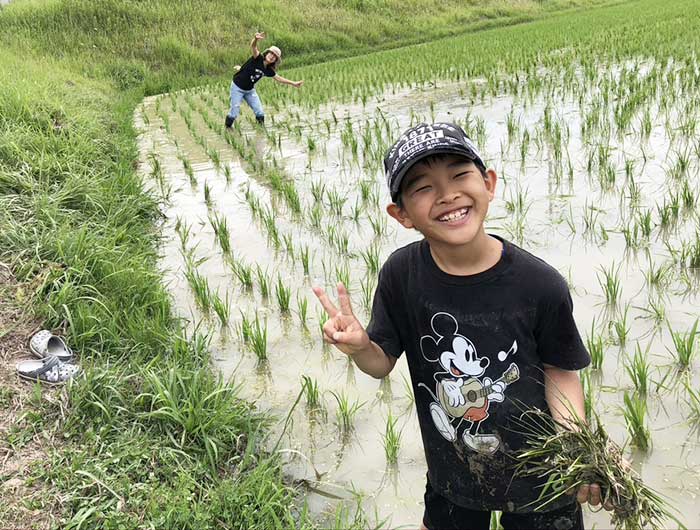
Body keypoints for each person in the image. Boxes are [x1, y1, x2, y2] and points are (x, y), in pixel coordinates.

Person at [313, 122, 611, 529]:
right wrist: (361, 345)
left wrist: (578, 449)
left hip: (540, 479)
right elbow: (381, 365)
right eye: (423, 187)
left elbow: (561, 371)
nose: (447, 194)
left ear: (488, 183)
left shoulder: (540, 284)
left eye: (459, 174)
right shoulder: (402, 276)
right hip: (454, 473)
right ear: (401, 214)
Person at [225, 31, 303, 128]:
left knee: (260, 112)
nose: (272, 57)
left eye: (275, 57)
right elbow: (253, 47)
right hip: (237, 87)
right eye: (271, 54)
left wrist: (293, 83)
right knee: (234, 113)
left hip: (249, 91)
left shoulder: (268, 70)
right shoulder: (258, 58)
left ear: (275, 61)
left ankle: (261, 131)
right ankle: (227, 130)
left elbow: (278, 78)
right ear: (267, 53)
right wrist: (256, 39)